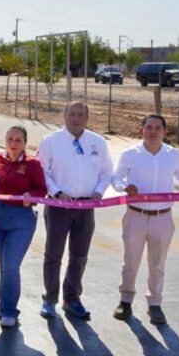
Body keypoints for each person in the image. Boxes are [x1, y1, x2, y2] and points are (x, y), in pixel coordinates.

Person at [110, 114, 179, 325]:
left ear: (165, 132)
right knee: (131, 261)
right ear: (141, 130)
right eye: (149, 127)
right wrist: (125, 187)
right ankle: (125, 300)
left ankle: (154, 304)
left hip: (162, 218)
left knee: (157, 263)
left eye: (158, 128)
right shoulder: (130, 154)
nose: (153, 131)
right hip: (135, 215)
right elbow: (116, 178)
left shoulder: (173, 155)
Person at [36, 101, 113, 320]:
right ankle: (50, 300)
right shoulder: (51, 141)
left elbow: (106, 172)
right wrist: (57, 192)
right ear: (64, 115)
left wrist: (98, 191)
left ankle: (71, 299)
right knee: (53, 254)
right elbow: (42, 172)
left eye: (81, 115)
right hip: (58, 206)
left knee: (79, 256)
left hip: (86, 207)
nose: (76, 118)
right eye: (72, 114)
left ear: (87, 118)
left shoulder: (98, 142)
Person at [0, 125, 48, 328]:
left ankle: (10, 311)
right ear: (5, 140)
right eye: (10, 139)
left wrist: (32, 196)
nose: (13, 144)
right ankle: (2, 302)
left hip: (21, 220)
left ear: (25, 143)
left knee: (11, 265)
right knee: (3, 264)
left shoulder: (33, 164)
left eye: (18, 140)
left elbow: (42, 189)